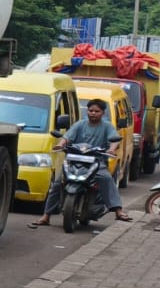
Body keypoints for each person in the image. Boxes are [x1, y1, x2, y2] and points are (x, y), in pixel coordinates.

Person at [30, 96, 130, 225]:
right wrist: (60, 145)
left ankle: (118, 211)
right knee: (57, 183)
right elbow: (67, 138)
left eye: (96, 111)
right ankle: (46, 216)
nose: (93, 113)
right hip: (74, 160)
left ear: (102, 113)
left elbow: (114, 140)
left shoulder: (107, 126)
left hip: (96, 162)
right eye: (90, 110)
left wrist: (111, 149)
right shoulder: (79, 124)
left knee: (106, 179)